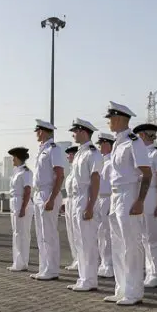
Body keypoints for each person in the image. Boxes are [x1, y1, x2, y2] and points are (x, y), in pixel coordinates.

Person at [103, 102, 152, 306]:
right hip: (116, 196)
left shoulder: (134, 142)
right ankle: (121, 288)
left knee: (132, 244)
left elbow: (146, 173)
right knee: (118, 244)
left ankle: (134, 291)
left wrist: (140, 200)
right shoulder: (118, 142)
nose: (108, 122)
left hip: (129, 194)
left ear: (121, 119)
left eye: (111, 118)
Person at [66, 119, 103, 292]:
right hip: (76, 199)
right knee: (79, 241)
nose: (73, 134)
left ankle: (90, 279)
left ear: (83, 131)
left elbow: (95, 180)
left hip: (85, 198)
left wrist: (90, 205)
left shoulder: (92, 153)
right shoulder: (80, 153)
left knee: (88, 241)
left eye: (75, 131)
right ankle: (83, 278)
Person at [132, 123, 157, 288]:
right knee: (144, 237)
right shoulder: (141, 154)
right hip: (140, 194)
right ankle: (149, 270)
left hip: (152, 194)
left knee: (154, 237)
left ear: (144, 136)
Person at [31, 120, 65, 281]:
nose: (36, 133)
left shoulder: (54, 149)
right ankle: (43, 267)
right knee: (40, 234)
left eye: (37, 130)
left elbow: (59, 174)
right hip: (39, 194)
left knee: (49, 233)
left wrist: (52, 198)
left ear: (44, 131)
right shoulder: (42, 149)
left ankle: (52, 270)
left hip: (48, 192)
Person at [7, 147, 34, 272]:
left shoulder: (26, 172)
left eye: (13, 157)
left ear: (17, 158)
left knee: (22, 234)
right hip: (15, 202)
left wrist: (23, 207)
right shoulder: (16, 171)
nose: (12, 160)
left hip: (21, 202)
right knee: (17, 233)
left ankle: (21, 263)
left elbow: (27, 190)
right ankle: (18, 262)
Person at [96, 133, 115, 279]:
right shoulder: (102, 162)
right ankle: (104, 262)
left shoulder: (111, 162)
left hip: (109, 198)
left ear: (108, 144)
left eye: (101, 143)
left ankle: (110, 264)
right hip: (100, 199)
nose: (99, 146)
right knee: (101, 234)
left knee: (109, 234)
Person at [62, 146, 80, 271]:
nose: (68, 157)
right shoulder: (71, 170)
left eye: (69, 154)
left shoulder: (78, 169)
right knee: (71, 232)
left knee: (78, 232)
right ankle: (76, 259)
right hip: (69, 200)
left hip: (77, 200)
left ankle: (81, 260)